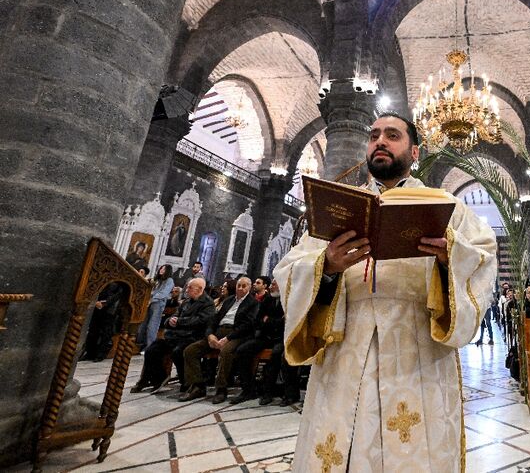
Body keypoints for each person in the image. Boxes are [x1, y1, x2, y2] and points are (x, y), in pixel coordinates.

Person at [272, 112, 497, 471]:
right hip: (346, 346)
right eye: (374, 135)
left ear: (415, 151)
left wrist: (449, 256)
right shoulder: (340, 206)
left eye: (393, 135)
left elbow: (483, 258)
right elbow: (287, 270)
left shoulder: (446, 206)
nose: (380, 141)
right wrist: (326, 266)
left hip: (417, 347)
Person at [180, 277, 259, 403]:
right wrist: (210, 335)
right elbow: (213, 319)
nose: (240, 288)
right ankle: (198, 385)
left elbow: (248, 325)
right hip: (218, 332)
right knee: (190, 350)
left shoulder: (253, 303)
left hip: (236, 334)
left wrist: (227, 339)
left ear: (249, 288)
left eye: (244, 286)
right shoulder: (228, 300)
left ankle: (221, 389)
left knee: (226, 352)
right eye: (239, 285)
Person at [131, 278, 215, 393]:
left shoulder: (208, 303)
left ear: (200, 289)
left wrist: (179, 321)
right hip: (176, 335)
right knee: (152, 349)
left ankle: (185, 381)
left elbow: (201, 321)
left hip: (192, 337)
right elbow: (174, 316)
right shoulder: (186, 302)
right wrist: (170, 321)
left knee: (178, 352)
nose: (186, 289)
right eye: (187, 286)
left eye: (190, 287)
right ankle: (157, 378)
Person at [229, 277, 287, 404]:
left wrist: (269, 321)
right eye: (271, 284)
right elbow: (258, 320)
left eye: (274, 284)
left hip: (281, 338)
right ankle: (248, 389)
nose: (270, 287)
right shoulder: (268, 300)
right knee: (242, 350)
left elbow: (285, 323)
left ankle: (268, 392)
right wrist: (270, 322)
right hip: (265, 336)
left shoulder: (288, 301)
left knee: (276, 355)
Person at [137, 264, 175, 350]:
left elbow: (163, 293)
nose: (161, 270)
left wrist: (151, 299)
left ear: (168, 271)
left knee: (152, 326)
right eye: (161, 268)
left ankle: (149, 347)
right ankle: (141, 344)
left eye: (164, 269)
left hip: (158, 304)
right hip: (149, 303)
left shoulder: (169, 280)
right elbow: (152, 290)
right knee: (143, 324)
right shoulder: (158, 279)